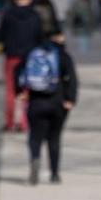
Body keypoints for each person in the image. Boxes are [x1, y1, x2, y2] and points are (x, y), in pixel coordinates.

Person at [15, 31, 78, 185]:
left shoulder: (31, 53)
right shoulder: (62, 55)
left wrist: (19, 91)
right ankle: (55, 174)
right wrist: (70, 99)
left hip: (36, 102)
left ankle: (35, 159)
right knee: (54, 137)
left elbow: (17, 71)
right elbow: (72, 79)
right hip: (58, 102)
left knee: (35, 137)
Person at [0, 0, 41, 132]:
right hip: (30, 58)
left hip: (12, 57)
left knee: (10, 90)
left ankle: (9, 122)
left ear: (15, 0)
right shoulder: (35, 16)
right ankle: (24, 122)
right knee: (28, 91)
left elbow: (0, 37)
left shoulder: (8, 15)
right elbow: (40, 37)